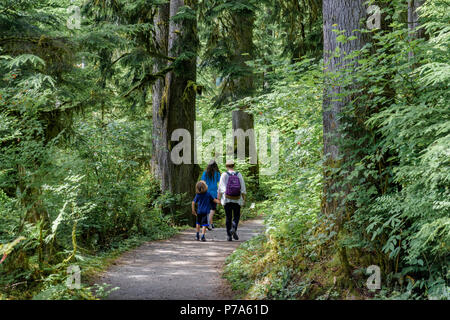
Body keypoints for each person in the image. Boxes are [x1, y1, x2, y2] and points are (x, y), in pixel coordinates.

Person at [217, 159, 246, 241]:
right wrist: (244, 199)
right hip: (237, 199)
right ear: (234, 165)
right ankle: (234, 227)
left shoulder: (224, 175)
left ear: (226, 166)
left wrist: (219, 199)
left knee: (228, 217)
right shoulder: (239, 174)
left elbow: (220, 188)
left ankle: (229, 236)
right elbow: (243, 188)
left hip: (227, 199)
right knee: (236, 216)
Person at [201, 160, 221, 230]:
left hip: (206, 193)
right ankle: (209, 223)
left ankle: (210, 224)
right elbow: (220, 182)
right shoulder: (217, 173)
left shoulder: (205, 173)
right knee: (213, 208)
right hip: (213, 194)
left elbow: (202, 183)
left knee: (208, 209)